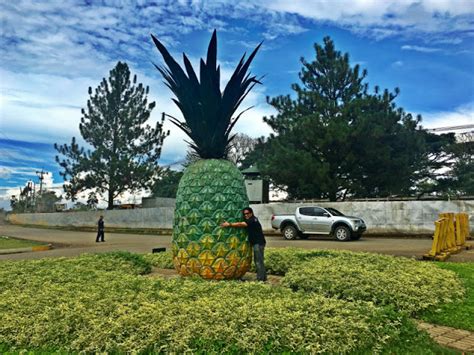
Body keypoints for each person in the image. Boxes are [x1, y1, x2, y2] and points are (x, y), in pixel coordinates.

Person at [221, 207, 267, 281]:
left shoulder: (252, 220)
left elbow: (241, 224)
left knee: (258, 261)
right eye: (244, 214)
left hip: (258, 243)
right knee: (259, 261)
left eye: (247, 213)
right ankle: (263, 277)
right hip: (258, 243)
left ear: (251, 213)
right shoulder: (254, 219)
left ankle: (260, 279)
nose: (246, 215)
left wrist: (229, 224)